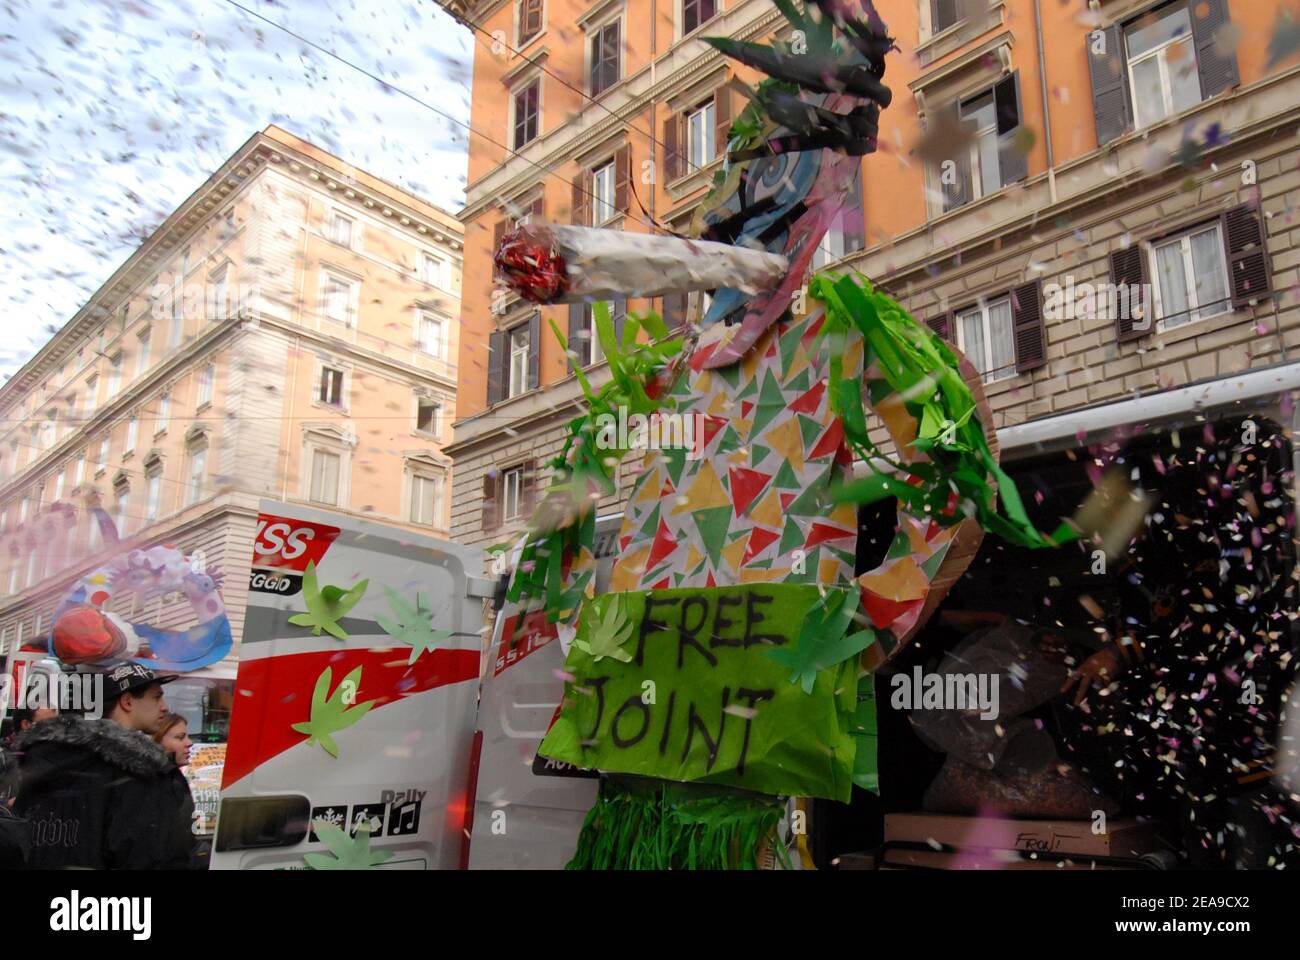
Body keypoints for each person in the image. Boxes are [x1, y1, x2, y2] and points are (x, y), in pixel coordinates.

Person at [13, 662, 198, 869]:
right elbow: (154, 856)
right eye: (156, 696)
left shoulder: (47, 759)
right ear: (127, 702)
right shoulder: (141, 772)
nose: (164, 706)